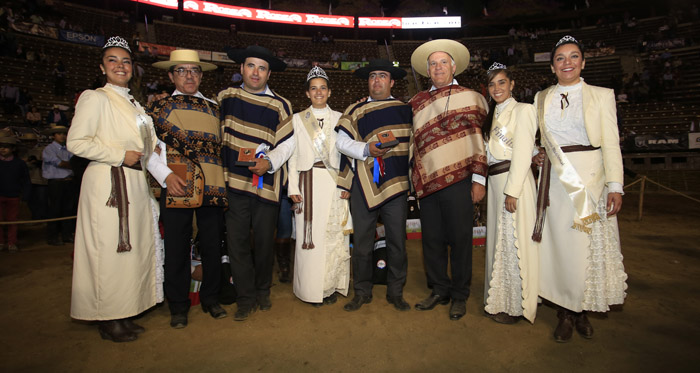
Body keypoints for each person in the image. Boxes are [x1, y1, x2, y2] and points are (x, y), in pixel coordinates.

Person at [67, 36, 163, 343]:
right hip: (109, 182)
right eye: (113, 60)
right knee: (109, 251)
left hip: (134, 181)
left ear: (132, 68)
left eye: (125, 61)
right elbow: (76, 143)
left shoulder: (135, 104)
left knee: (128, 251)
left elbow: (148, 148)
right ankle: (107, 317)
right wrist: (119, 155)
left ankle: (124, 310)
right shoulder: (95, 98)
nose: (120, 66)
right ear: (102, 66)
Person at [532, 35, 627, 343]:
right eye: (560, 58)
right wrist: (536, 153)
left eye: (573, 56)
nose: (567, 62)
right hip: (555, 182)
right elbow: (538, 139)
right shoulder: (541, 97)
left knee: (584, 249)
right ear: (552, 66)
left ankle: (580, 309)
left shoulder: (602, 95)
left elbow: (611, 142)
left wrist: (616, 185)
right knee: (560, 248)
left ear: (583, 62)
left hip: (589, 180)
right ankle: (564, 310)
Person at [148, 49, 228, 328]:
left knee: (211, 246)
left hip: (213, 185)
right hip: (177, 183)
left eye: (194, 71)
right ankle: (178, 306)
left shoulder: (216, 108)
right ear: (171, 75)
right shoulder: (159, 109)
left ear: (201, 75)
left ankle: (210, 298)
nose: (189, 76)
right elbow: (149, 150)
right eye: (181, 71)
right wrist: (166, 175)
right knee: (177, 247)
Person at [409, 39, 488, 321]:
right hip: (428, 182)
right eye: (433, 63)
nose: (438, 67)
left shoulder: (471, 97)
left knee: (460, 240)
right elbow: (413, 144)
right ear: (427, 70)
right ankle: (439, 289)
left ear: (454, 66)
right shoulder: (417, 103)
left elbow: (478, 140)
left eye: (443, 62)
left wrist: (479, 180)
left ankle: (459, 295)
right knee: (431, 240)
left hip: (461, 180)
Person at [218, 45, 294, 321]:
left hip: (266, 184)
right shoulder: (227, 97)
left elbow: (287, 144)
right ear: (241, 69)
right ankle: (245, 296)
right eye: (251, 66)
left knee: (264, 243)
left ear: (269, 73)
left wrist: (269, 162)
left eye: (262, 68)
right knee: (237, 243)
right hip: (234, 185)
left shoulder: (281, 105)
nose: (255, 72)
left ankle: (263, 289)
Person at [335, 59, 412, 312]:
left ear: (391, 82)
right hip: (363, 185)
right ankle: (362, 291)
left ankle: (396, 291)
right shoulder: (355, 110)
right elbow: (341, 142)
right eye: (372, 77)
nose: (376, 80)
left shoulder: (405, 110)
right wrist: (366, 149)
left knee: (397, 241)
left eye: (382, 76)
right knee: (363, 242)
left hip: (397, 185)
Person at [288, 66, 352, 306]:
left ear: (329, 91)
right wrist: (292, 187)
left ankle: (330, 286)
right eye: (313, 88)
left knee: (333, 236)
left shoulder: (341, 118)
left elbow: (348, 156)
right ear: (307, 93)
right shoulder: (297, 119)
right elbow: (292, 156)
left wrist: (348, 183)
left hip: (334, 185)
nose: (318, 92)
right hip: (308, 184)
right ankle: (309, 289)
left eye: (322, 88)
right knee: (310, 239)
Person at [480, 62, 539, 324]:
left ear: (512, 84)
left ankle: (518, 304)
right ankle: (501, 298)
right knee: (499, 242)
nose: (496, 88)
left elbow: (524, 152)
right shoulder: (489, 115)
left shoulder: (524, 110)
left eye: (501, 82)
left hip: (515, 183)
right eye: (492, 84)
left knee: (515, 241)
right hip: (495, 181)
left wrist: (513, 191)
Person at [42, 125, 74, 246]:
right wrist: (69, 164)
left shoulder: (68, 149)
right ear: (53, 136)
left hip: (68, 181)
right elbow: (61, 163)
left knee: (68, 209)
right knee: (55, 209)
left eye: (63, 133)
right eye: (59, 133)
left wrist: (68, 164)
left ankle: (66, 235)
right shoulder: (49, 149)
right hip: (56, 182)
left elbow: (70, 163)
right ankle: (53, 237)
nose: (62, 135)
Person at [0, 135, 30, 253]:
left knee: (12, 220)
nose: (2, 149)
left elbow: (26, 180)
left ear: (13, 149)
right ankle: (1, 242)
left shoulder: (19, 164)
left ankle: (12, 242)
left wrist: (26, 195)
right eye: (1, 146)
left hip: (14, 195)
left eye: (6, 147)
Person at [18, 132, 48, 220]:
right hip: (28, 180)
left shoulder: (42, 150)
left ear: (35, 141)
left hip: (40, 179)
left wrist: (36, 162)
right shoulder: (22, 152)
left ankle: (43, 218)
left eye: (31, 141)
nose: (29, 143)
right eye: (27, 141)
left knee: (42, 201)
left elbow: (46, 164)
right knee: (30, 201)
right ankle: (36, 217)